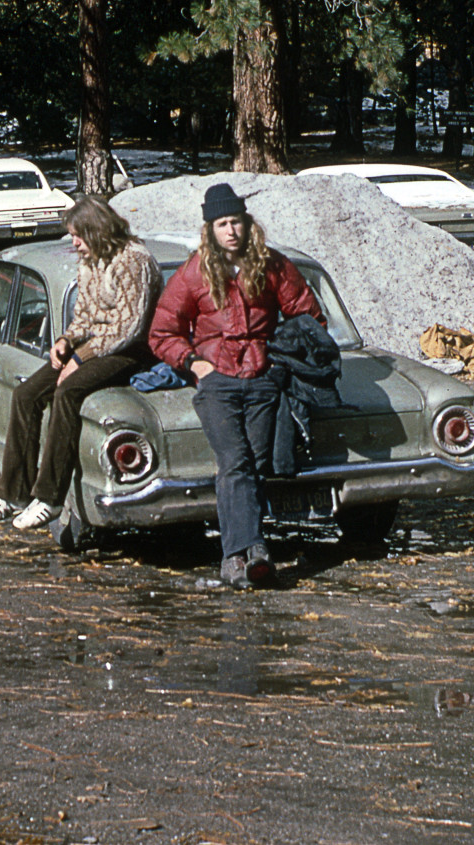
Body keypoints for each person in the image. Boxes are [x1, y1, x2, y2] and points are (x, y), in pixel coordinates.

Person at [148, 183, 324, 589]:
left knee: (255, 465)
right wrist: (194, 363)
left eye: (236, 222)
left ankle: (245, 555)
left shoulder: (273, 265)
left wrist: (282, 359)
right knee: (235, 461)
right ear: (210, 228)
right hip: (217, 382)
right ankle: (242, 553)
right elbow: (162, 331)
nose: (231, 231)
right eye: (222, 223)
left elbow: (308, 318)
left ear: (248, 224)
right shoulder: (194, 271)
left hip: (263, 378)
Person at [0, 196, 162, 530]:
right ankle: (11, 492)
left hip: (132, 349)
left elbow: (129, 327)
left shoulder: (134, 260)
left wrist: (80, 358)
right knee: (27, 394)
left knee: (68, 392)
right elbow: (86, 315)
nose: (75, 242)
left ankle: (49, 496)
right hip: (94, 346)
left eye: (79, 235)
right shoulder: (89, 259)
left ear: (97, 230)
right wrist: (66, 342)